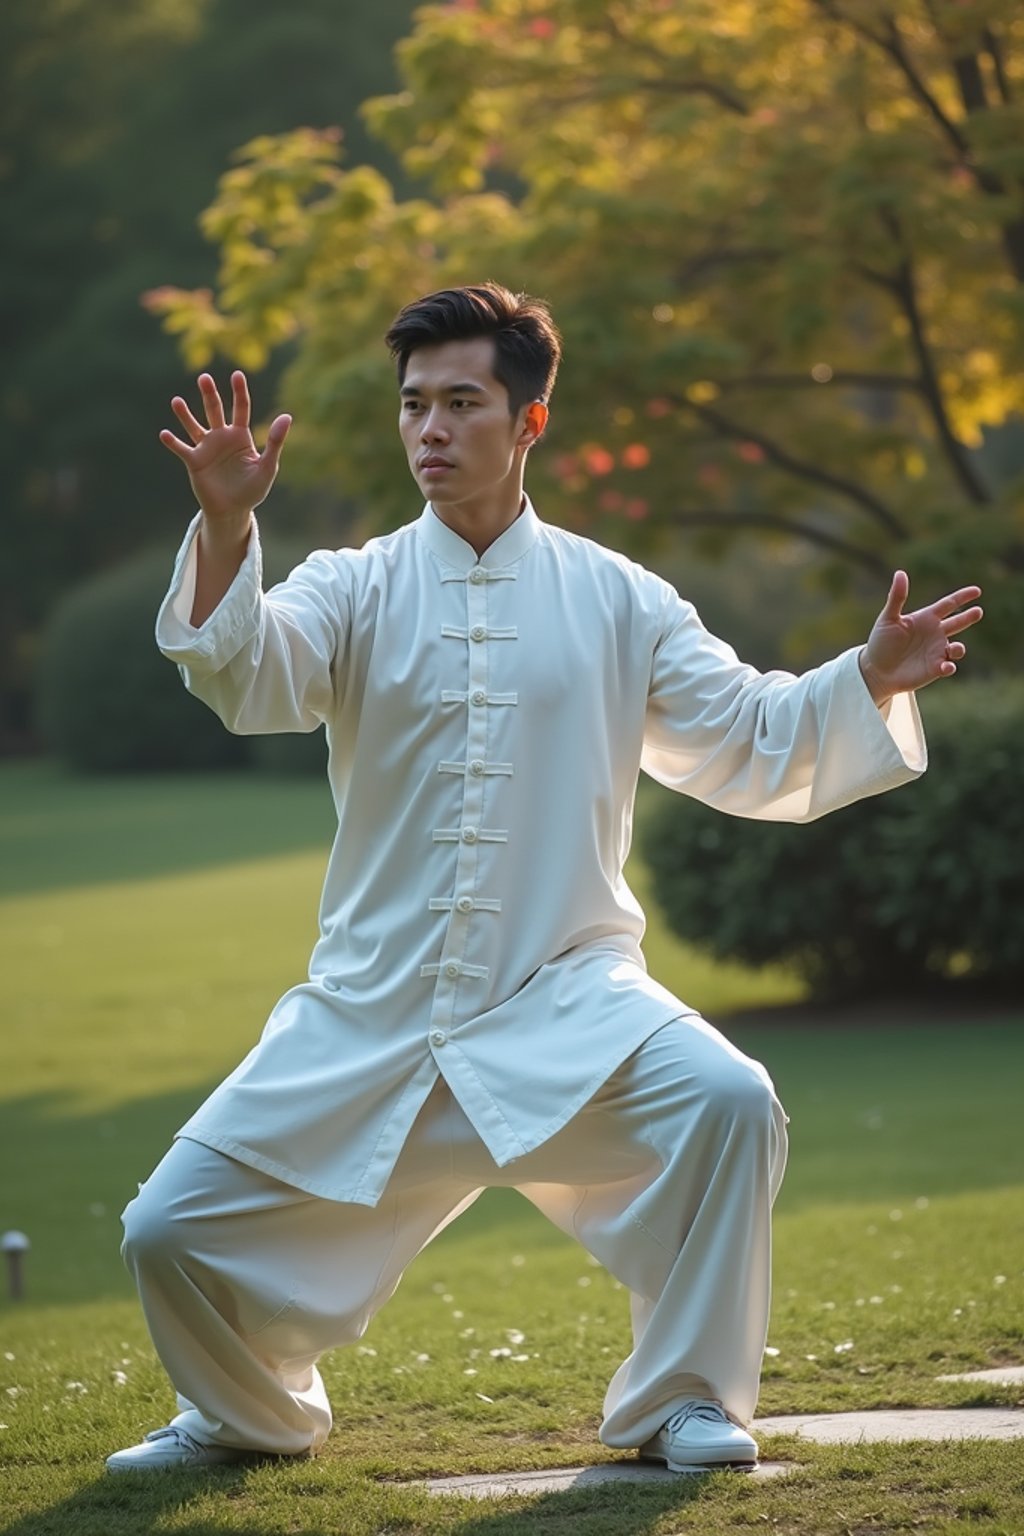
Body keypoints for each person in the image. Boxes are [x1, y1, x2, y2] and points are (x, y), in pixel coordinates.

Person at [107, 283, 982, 1475]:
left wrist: (867, 678)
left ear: (528, 423)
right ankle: (243, 1418)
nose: (430, 429)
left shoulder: (618, 597)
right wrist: (220, 529)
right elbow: (243, 674)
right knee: (165, 1230)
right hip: (369, 1013)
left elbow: (750, 736)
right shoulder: (349, 586)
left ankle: (679, 1401)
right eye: (413, 404)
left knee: (726, 1102)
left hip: (568, 1002)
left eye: (462, 403)